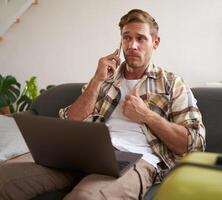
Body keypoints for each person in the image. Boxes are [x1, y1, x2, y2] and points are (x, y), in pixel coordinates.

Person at [0, 9, 205, 200]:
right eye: (127, 38)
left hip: (136, 158)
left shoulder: (172, 83)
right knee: (4, 176)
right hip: (85, 153)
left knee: (86, 198)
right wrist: (97, 81)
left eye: (141, 39)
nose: (132, 46)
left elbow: (192, 144)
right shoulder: (105, 78)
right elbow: (72, 121)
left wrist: (147, 115)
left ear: (155, 42)